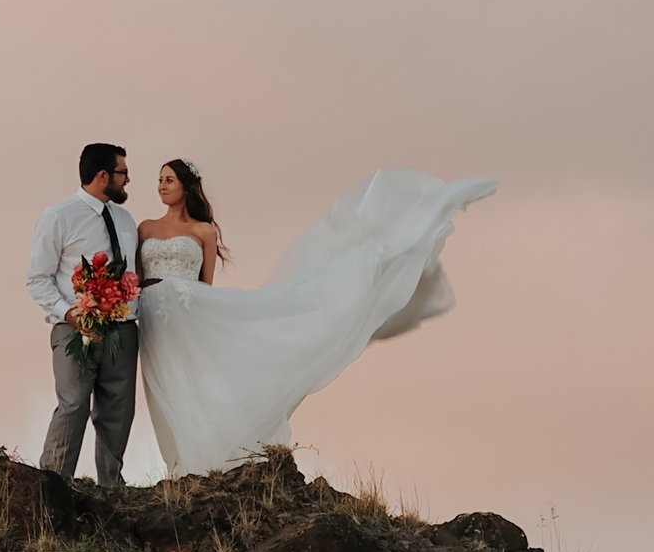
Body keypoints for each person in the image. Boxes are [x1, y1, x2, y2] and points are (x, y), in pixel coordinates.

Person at [130, 158, 495, 478]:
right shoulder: (145, 228)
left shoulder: (203, 231)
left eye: (168, 180)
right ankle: (177, 465)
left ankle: (198, 462)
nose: (161, 186)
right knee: (161, 387)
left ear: (185, 186)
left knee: (191, 384)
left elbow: (204, 285)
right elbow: (135, 274)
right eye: (159, 180)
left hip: (191, 318)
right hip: (152, 320)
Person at [26, 142, 141, 484]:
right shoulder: (58, 217)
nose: (128, 180)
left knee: (118, 411)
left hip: (123, 329)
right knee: (74, 404)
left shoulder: (125, 220)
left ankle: (111, 490)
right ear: (102, 175)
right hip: (74, 329)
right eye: (123, 172)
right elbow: (37, 278)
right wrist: (69, 313)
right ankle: (53, 485)